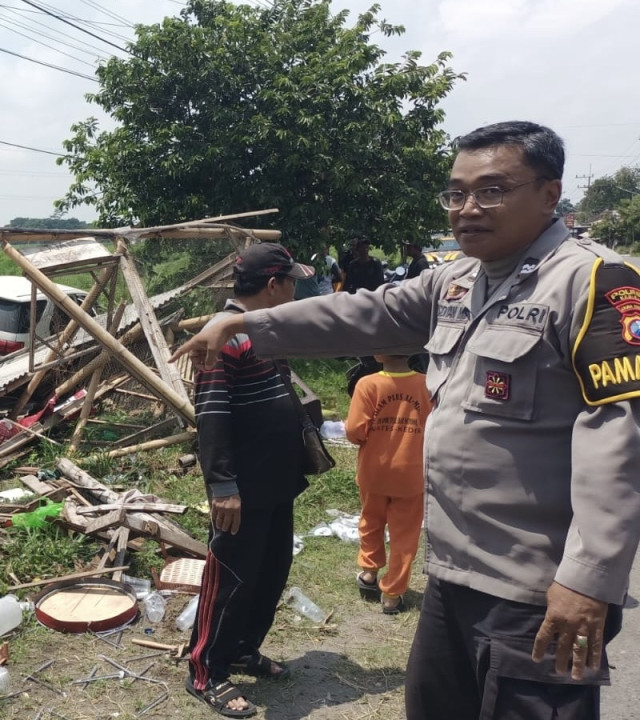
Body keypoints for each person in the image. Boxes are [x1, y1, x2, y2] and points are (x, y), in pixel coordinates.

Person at [172, 121, 640, 720]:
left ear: (550, 194)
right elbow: (363, 314)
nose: (467, 209)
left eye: (492, 190)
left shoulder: (592, 282)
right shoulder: (456, 280)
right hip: (450, 573)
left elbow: (620, 439)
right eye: (456, 193)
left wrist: (588, 578)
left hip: (536, 589)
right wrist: (246, 324)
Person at [186, 242, 313, 718]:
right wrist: (222, 485)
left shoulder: (261, 332)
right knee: (232, 578)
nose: (296, 288)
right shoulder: (223, 337)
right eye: (293, 281)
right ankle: (206, 670)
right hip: (243, 487)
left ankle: (241, 647)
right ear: (274, 284)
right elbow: (212, 417)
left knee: (270, 572)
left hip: (276, 481)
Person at [345, 354, 431, 615]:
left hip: (375, 471)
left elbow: (354, 431)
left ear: (378, 354)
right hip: (413, 474)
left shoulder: (367, 384)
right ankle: (392, 595)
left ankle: (369, 573)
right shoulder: (427, 384)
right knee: (405, 534)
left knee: (370, 520)